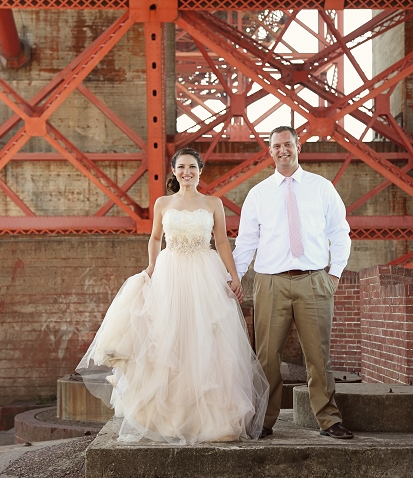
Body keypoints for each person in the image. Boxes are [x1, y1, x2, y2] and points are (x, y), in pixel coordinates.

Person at [77, 148, 269, 444]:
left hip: (206, 273)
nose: (187, 172)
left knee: (207, 340)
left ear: (200, 170)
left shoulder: (213, 203)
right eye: (181, 167)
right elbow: (155, 238)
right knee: (169, 339)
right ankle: (171, 419)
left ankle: (213, 420)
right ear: (174, 171)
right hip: (170, 272)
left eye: (192, 167)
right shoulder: (162, 203)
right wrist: (153, 266)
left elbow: (221, 241)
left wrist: (233, 276)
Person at [232, 126, 353, 440]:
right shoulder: (258, 194)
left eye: (287, 144)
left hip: (314, 281)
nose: (282, 150)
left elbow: (340, 232)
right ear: (270, 152)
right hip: (270, 283)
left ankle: (328, 420)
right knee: (267, 357)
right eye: (276, 146)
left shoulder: (321, 187)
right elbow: (245, 243)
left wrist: (335, 273)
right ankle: (264, 421)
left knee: (318, 355)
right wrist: (231, 279)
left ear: (298, 146)